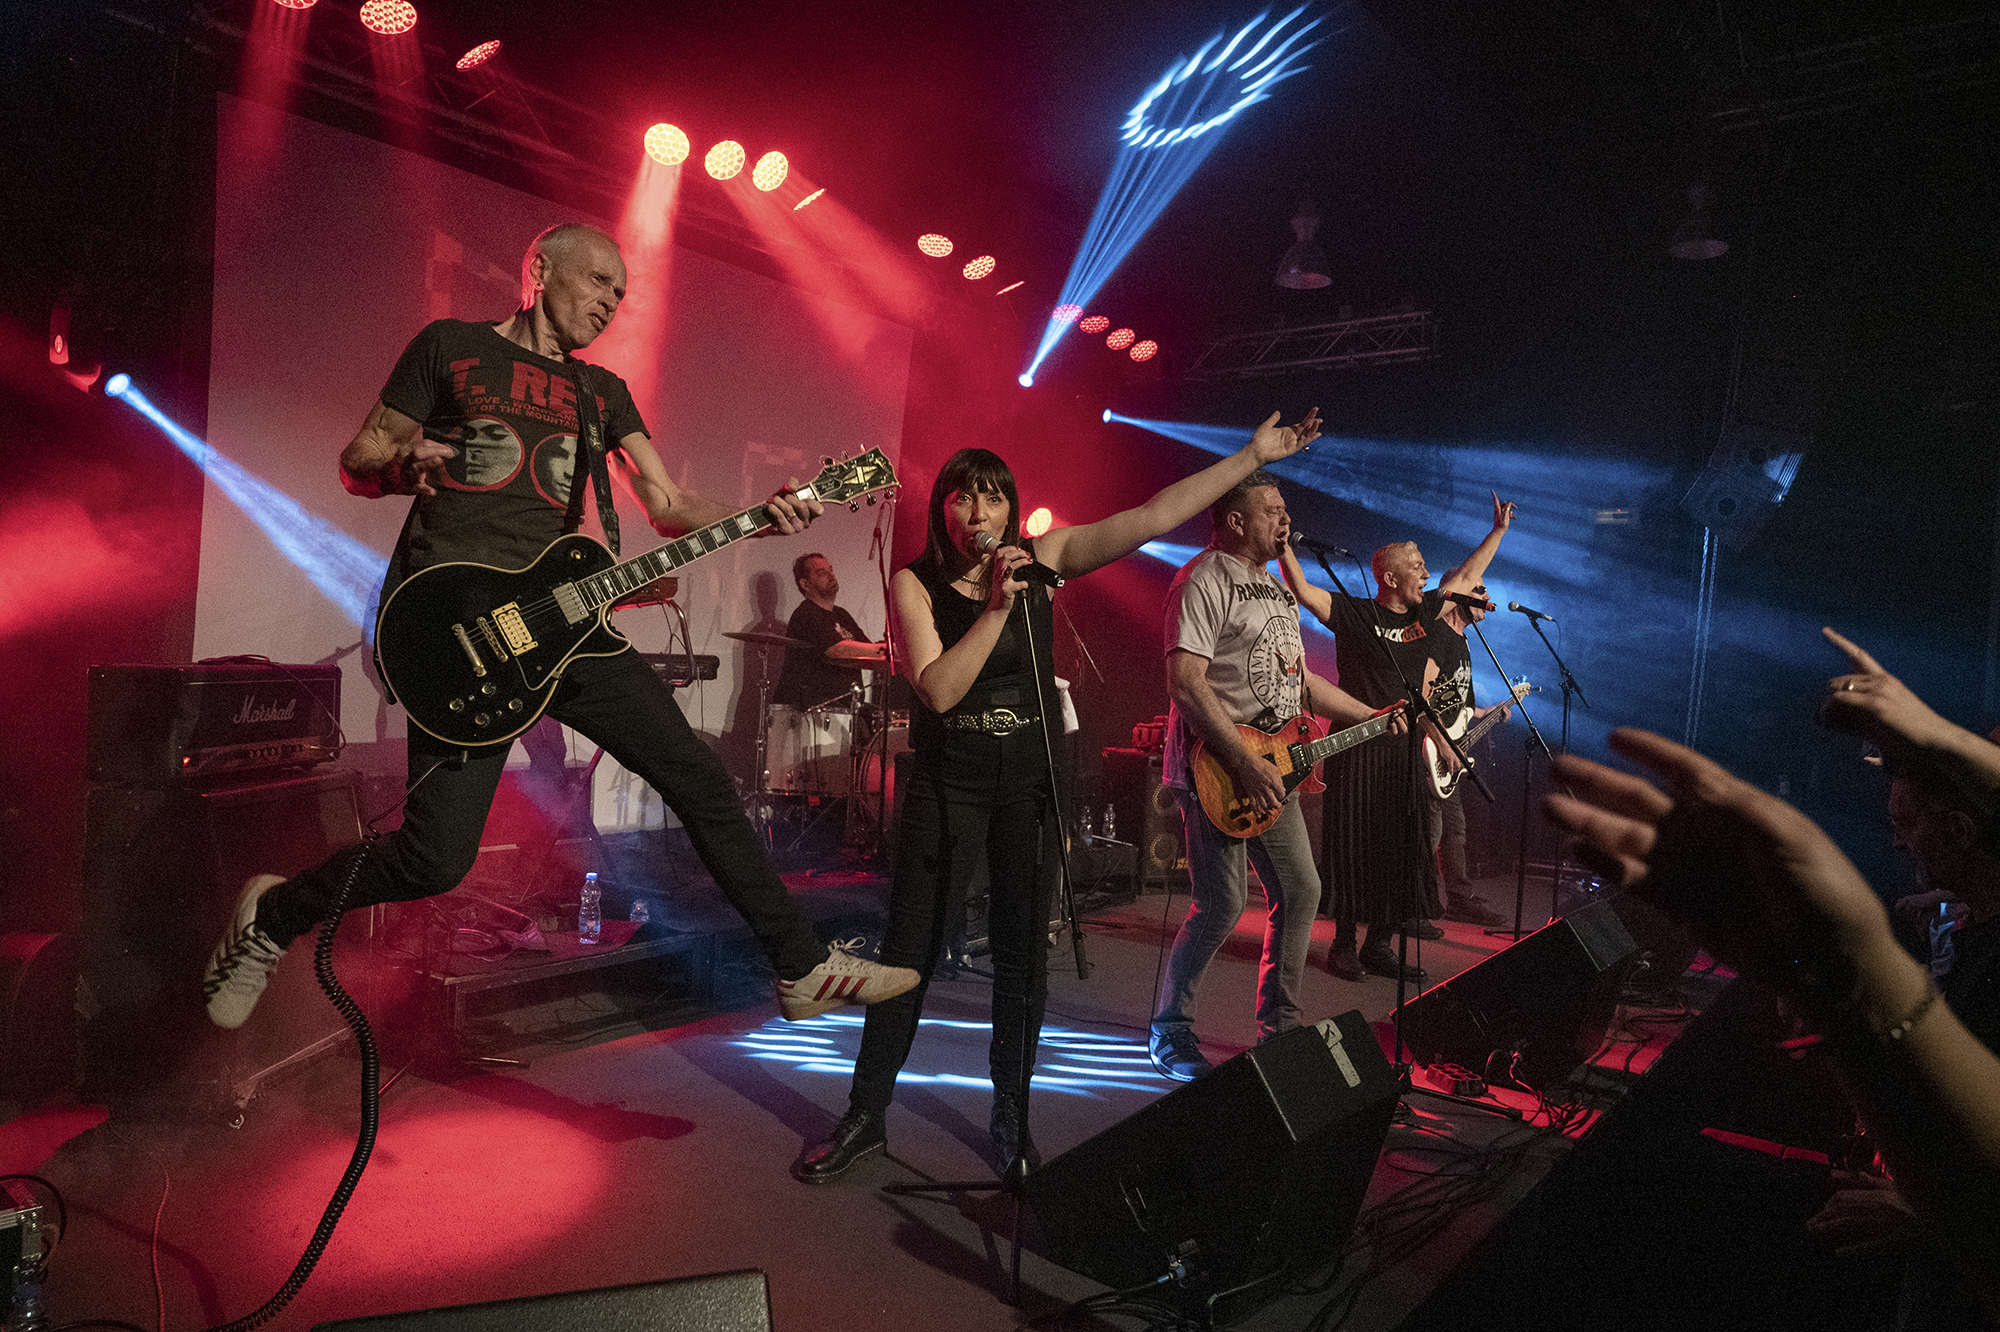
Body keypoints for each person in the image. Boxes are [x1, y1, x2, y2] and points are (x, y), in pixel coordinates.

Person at [201, 222, 919, 1032]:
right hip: (459, 629)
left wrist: (771, 512)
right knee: (434, 859)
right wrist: (403, 465)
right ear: (541, 270)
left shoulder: (600, 392)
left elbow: (668, 504)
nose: (612, 302)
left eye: (622, 293)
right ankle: (274, 914)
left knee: (698, 777)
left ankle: (801, 967)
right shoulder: (450, 347)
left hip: (568, 628)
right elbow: (359, 457)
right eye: (600, 281)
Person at [792, 409, 1327, 1183]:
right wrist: (998, 608)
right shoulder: (916, 583)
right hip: (950, 785)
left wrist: (1248, 457)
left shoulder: (1045, 558)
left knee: (1022, 960)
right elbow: (938, 690)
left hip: (1028, 784)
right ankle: (865, 1114)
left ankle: (1011, 1119)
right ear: (944, 509)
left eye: (993, 497)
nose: (979, 511)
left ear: (1012, 508)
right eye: (963, 497)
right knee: (909, 953)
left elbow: (1151, 517)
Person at [1544, 719, 2000, 1328]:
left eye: (1907, 824)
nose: (1896, 843)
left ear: (1962, 831)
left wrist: (1931, 1216)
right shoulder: (1972, 926)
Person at [1148, 473, 1389, 1083]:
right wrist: (1242, 761)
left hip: (1274, 765)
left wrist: (1370, 715)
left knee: (1302, 890)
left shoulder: (1277, 587)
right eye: (1273, 511)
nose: (1286, 520)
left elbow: (1301, 682)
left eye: (1285, 510)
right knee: (1221, 903)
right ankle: (1170, 1029)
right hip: (1217, 766)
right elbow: (1185, 683)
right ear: (1235, 521)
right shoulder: (1202, 579)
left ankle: (1279, 1030)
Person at [1279, 492, 1516, 981]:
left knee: (1401, 849)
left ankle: (1379, 945)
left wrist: (1497, 532)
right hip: (1356, 746)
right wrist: (1283, 546)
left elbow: (1467, 577)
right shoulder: (1355, 613)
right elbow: (1302, 589)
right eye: (1417, 565)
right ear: (1389, 577)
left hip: (1404, 748)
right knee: (1354, 848)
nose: (1426, 573)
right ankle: (1343, 945)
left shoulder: (1424, 616)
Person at [1422, 570, 1510, 928]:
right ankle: (1414, 904)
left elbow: (1460, 703)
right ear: (1458, 594)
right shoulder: (1438, 635)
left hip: (1451, 750)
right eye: (1479, 589)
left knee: (1455, 830)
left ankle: (1459, 899)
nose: (1487, 596)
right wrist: (1443, 744)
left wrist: (1487, 712)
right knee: (1428, 833)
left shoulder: (1465, 642)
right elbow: (1422, 697)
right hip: (1429, 746)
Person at [773, 552, 879, 709]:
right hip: (813, 709)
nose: (831, 575)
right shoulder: (806, 613)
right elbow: (838, 650)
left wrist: (892, 651)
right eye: (822, 572)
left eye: (830, 570)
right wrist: (885, 650)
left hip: (846, 708)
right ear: (805, 584)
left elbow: (868, 650)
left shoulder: (842, 615)